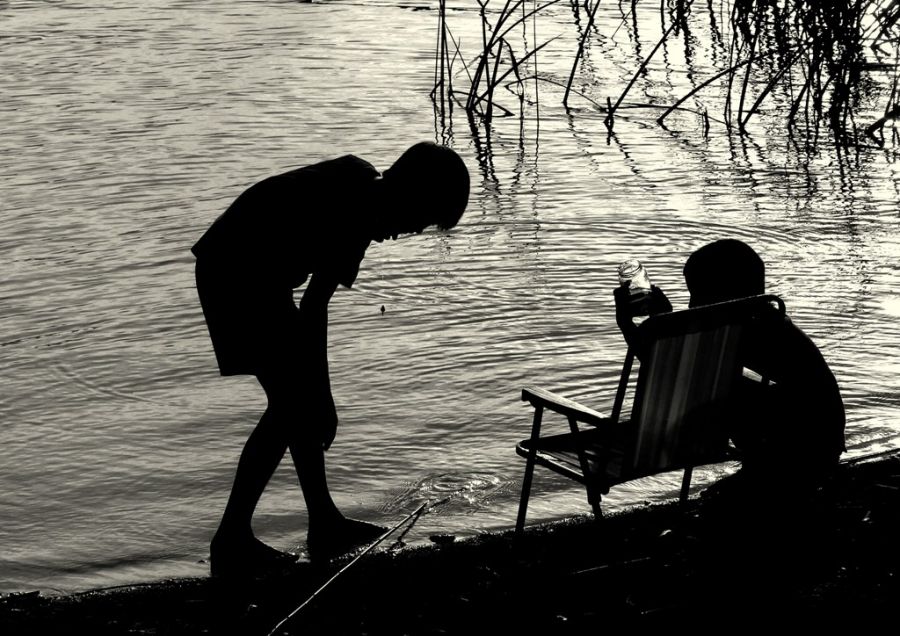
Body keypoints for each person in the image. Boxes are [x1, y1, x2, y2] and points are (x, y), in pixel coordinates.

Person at [192, 142, 470, 575]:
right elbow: (315, 306)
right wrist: (324, 397)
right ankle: (232, 538)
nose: (405, 234)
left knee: (296, 403)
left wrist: (316, 395)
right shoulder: (357, 213)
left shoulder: (360, 185)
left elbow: (311, 309)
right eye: (419, 220)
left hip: (256, 273)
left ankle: (322, 521)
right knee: (292, 406)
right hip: (234, 271)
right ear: (410, 193)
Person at [614, 239, 846, 486]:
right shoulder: (763, 320)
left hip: (800, 445)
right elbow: (682, 367)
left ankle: (770, 477)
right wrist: (666, 321)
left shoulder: (750, 329)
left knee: (716, 387)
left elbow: (673, 370)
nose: (691, 305)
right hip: (819, 438)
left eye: (697, 295)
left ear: (724, 293)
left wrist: (634, 325)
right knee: (720, 384)